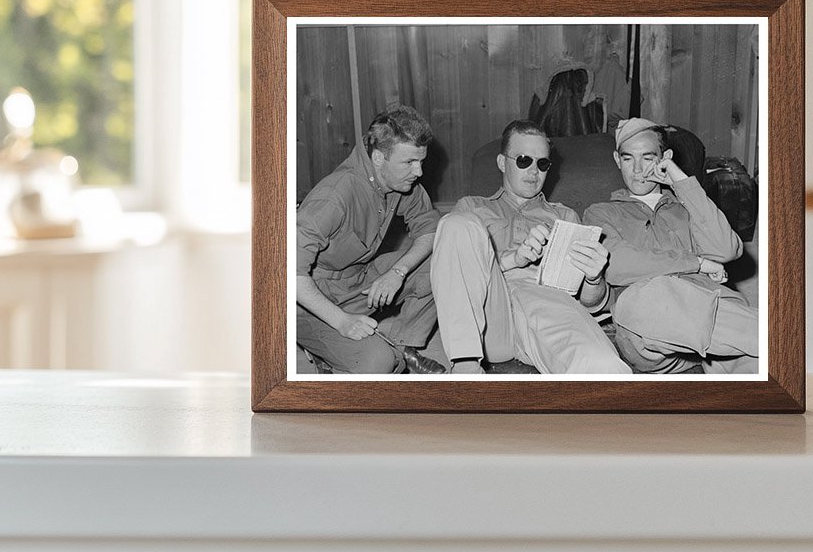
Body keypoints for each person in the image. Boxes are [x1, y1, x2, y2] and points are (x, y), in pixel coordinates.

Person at [430, 120, 631, 375]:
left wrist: (594, 278)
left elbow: (590, 303)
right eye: (524, 160)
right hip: (488, 318)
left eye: (542, 163)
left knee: (603, 369)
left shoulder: (565, 216)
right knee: (455, 223)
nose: (534, 171)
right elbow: (454, 277)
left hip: (546, 307)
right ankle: (465, 365)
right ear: (503, 163)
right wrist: (514, 259)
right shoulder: (471, 208)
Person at [582, 118, 758, 374]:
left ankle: (772, 339)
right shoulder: (601, 213)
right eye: (628, 158)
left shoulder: (686, 207)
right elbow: (615, 264)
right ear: (617, 160)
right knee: (639, 299)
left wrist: (680, 180)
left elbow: (726, 249)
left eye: (648, 157)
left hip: (717, 323)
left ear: (665, 157)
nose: (638, 169)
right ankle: (781, 336)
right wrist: (697, 263)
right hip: (650, 335)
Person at [295, 106, 446, 374]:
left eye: (420, 161)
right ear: (378, 158)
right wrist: (341, 322)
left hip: (356, 282)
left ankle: (401, 344)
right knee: (379, 362)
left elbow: (430, 230)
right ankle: (331, 349)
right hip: (307, 302)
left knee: (446, 254)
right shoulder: (333, 196)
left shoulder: (400, 180)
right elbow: (287, 275)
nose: (419, 172)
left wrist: (398, 272)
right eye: (410, 162)